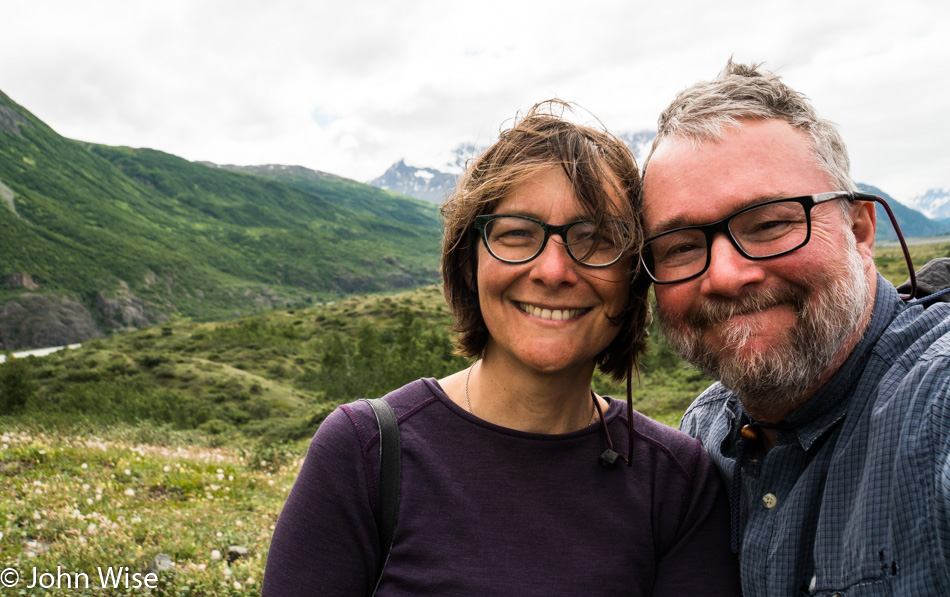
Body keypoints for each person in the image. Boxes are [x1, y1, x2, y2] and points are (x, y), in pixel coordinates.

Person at [262, 100, 741, 596]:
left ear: (632, 278)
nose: (554, 271)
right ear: (469, 262)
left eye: (595, 238)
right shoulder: (366, 454)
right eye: (517, 234)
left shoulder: (678, 482)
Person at [640, 59, 950, 596]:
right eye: (682, 246)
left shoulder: (934, 404)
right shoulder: (703, 438)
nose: (726, 276)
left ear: (858, 229)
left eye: (770, 224)